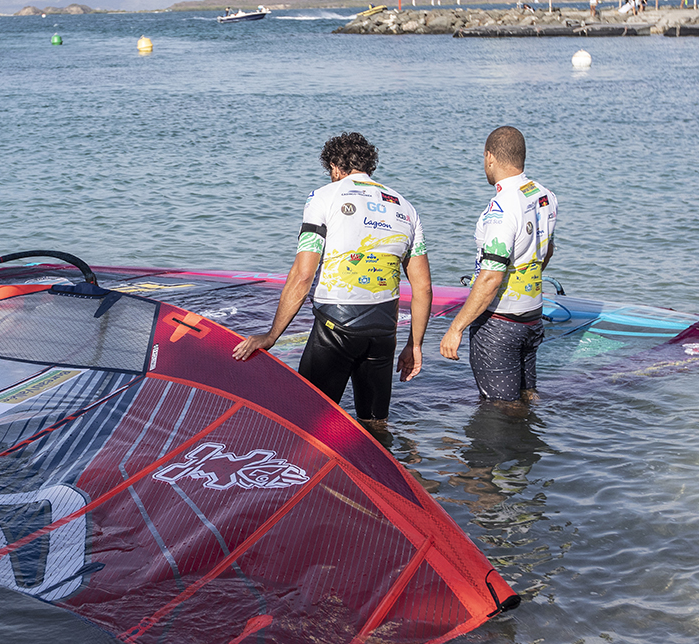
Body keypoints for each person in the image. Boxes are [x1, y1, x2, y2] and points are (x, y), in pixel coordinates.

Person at [233, 132, 432, 428]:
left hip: (336, 329)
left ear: (336, 167)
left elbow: (303, 275)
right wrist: (414, 345)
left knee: (306, 421)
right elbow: (423, 287)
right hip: (383, 333)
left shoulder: (324, 196)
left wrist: (272, 335)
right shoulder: (405, 206)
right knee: (376, 426)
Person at [438, 127, 558, 407]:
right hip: (532, 317)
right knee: (528, 398)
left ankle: (499, 450)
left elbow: (491, 277)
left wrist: (456, 328)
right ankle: (532, 449)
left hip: (499, 325)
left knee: (500, 409)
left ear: (489, 157)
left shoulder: (501, 208)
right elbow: (546, 251)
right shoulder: (544, 195)